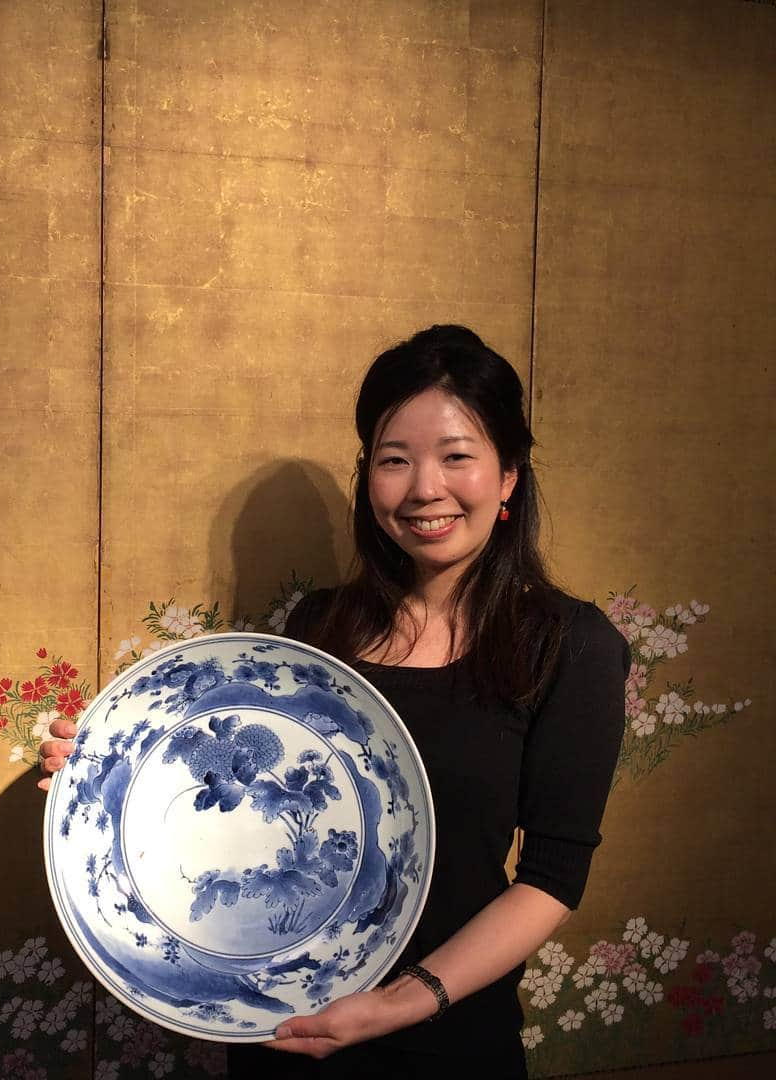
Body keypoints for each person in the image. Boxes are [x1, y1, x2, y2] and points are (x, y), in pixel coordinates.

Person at [39, 325, 629, 1078]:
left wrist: (397, 1003)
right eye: (394, 460)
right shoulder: (320, 627)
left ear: (509, 475)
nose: (424, 489)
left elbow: (552, 878)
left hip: (440, 1040)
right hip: (283, 1031)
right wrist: (98, 776)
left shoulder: (569, 645)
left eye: (457, 456)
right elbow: (239, 812)